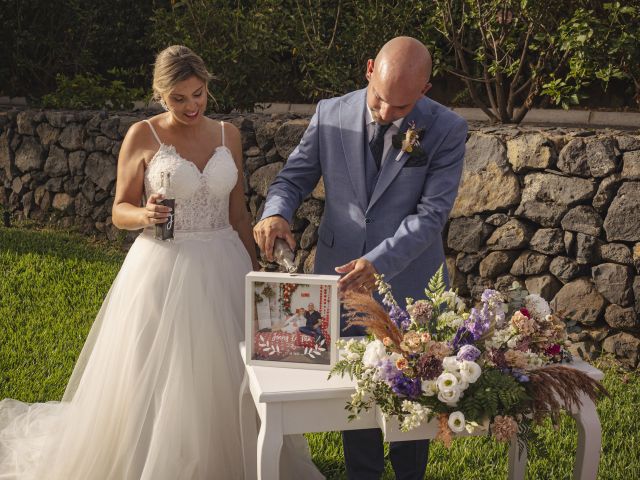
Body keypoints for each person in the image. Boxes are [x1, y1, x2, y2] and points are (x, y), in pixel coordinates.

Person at [0, 45, 323, 480]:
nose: (192, 106)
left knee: (232, 373)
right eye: (179, 98)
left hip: (225, 265)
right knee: (159, 376)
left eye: (199, 94)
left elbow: (239, 214)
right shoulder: (143, 136)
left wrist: (256, 272)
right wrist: (144, 215)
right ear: (160, 94)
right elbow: (118, 210)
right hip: (164, 267)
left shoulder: (229, 135)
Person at [254, 37, 467, 480]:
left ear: (425, 90)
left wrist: (379, 262)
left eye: (401, 107)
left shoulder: (448, 129)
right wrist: (276, 211)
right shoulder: (329, 113)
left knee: (415, 397)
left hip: (412, 285)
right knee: (357, 392)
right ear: (369, 68)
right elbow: (293, 178)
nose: (387, 113)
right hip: (340, 279)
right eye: (380, 100)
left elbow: (431, 217)